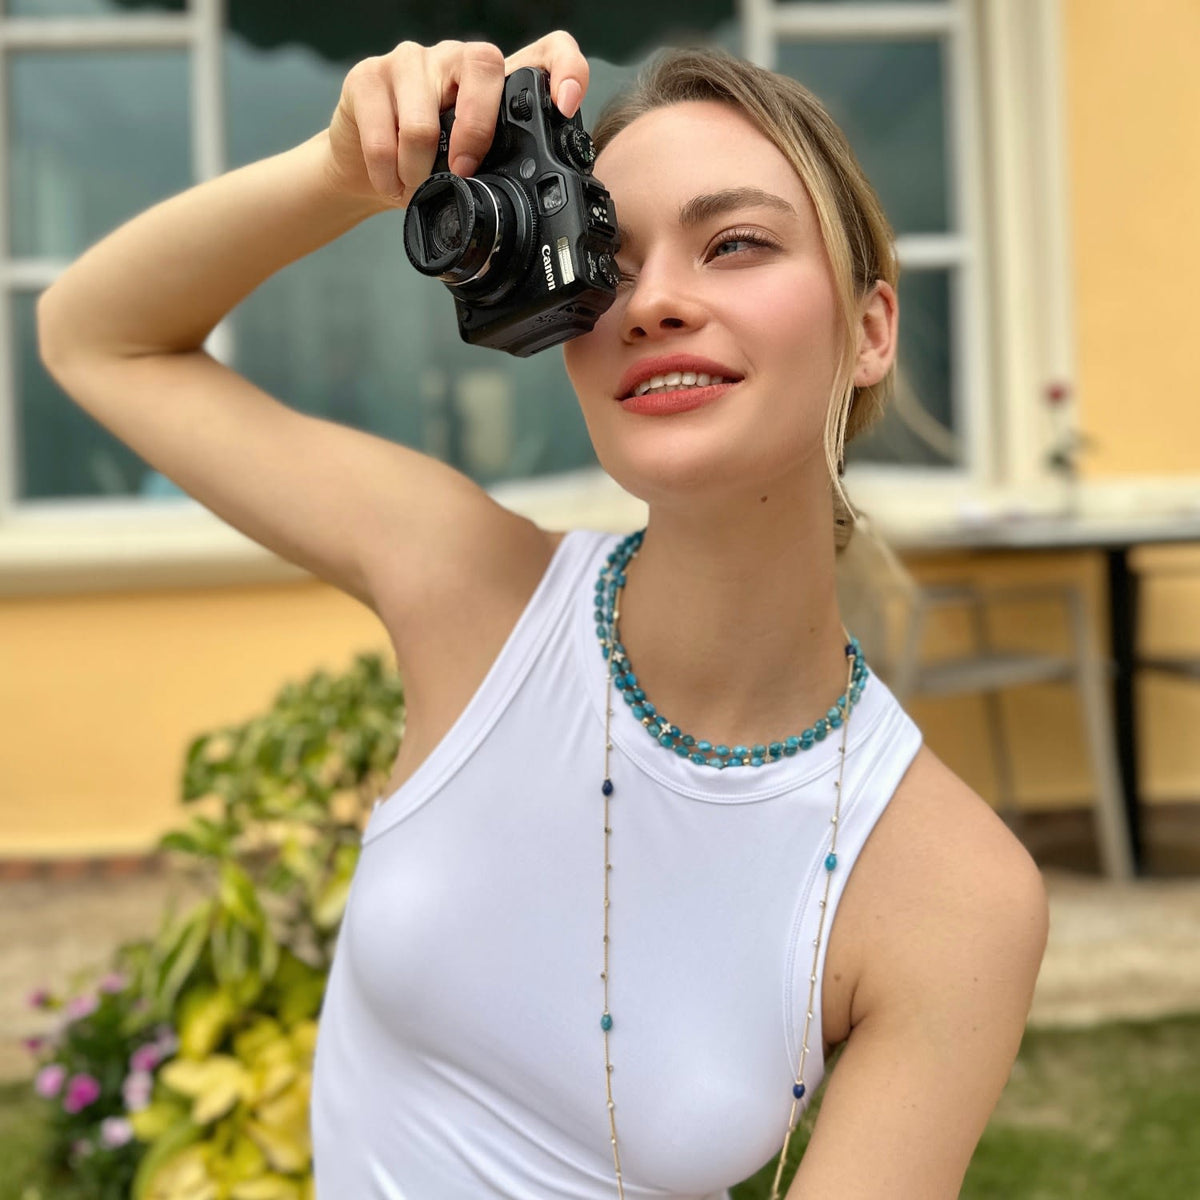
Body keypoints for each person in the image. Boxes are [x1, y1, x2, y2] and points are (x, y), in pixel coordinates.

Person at [36, 30, 1049, 1200]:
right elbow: (97, 337)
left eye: (735, 243)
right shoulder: (470, 592)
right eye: (605, 259)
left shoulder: (953, 895)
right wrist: (342, 171)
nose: (654, 302)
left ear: (870, 331)